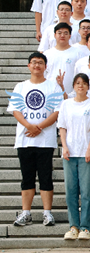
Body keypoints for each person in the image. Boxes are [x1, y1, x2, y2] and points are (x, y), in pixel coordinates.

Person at [9, 52, 63, 228]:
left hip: (45, 141)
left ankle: (47, 213)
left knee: (46, 177)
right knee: (27, 177)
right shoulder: (20, 86)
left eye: (40, 62)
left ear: (45, 66)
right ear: (28, 66)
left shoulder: (53, 87)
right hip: (24, 140)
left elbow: (57, 112)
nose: (37, 65)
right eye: (34, 62)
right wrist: (29, 126)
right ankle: (26, 213)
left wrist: (38, 127)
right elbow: (16, 110)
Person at [56, 74, 90, 241]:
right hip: (70, 153)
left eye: (83, 83)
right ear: (73, 86)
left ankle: (85, 227)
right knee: (70, 191)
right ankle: (73, 226)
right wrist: (64, 147)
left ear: (88, 86)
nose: (80, 86)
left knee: (86, 192)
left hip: (87, 153)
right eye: (77, 83)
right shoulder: (66, 104)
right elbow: (62, 127)